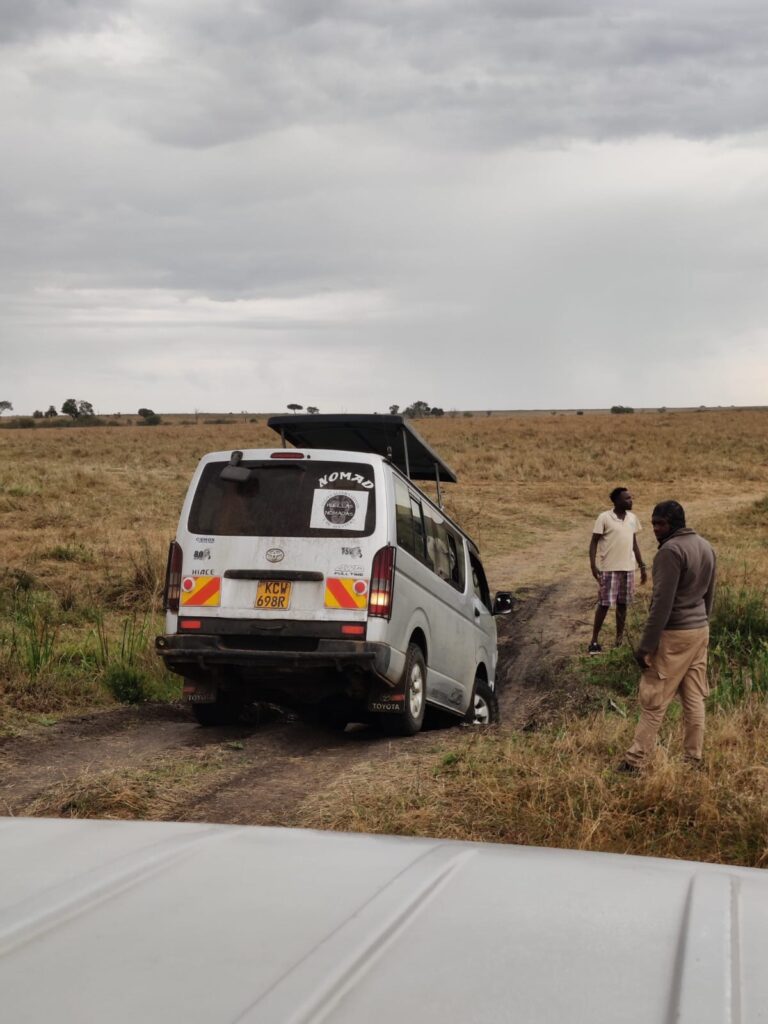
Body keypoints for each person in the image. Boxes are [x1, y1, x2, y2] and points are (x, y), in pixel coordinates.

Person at [617, 500, 716, 772]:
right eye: (653, 524)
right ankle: (693, 759)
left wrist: (645, 646)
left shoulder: (670, 552)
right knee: (694, 698)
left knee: (654, 699)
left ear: (675, 524)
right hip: (699, 631)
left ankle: (635, 761)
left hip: (674, 635)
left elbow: (662, 603)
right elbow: (710, 594)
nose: (656, 530)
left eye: (661, 524)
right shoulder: (706, 546)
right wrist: (702, 623)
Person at [588, 487, 647, 653]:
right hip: (609, 569)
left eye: (630, 497)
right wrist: (593, 565)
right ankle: (594, 641)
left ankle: (619, 641)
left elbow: (634, 542)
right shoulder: (604, 518)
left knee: (623, 605)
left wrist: (642, 565)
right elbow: (593, 542)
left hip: (628, 569)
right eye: (627, 498)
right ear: (616, 501)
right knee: (604, 604)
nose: (630, 501)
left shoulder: (632, 518)